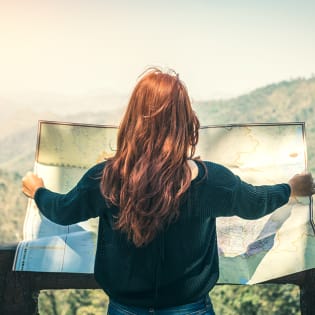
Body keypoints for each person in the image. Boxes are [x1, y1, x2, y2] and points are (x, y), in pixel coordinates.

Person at [22, 68, 315, 315]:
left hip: (124, 307)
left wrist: (38, 191)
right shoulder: (210, 181)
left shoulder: (106, 178)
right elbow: (254, 204)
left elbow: (62, 211)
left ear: (133, 119)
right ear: (184, 120)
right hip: (190, 307)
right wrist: (290, 188)